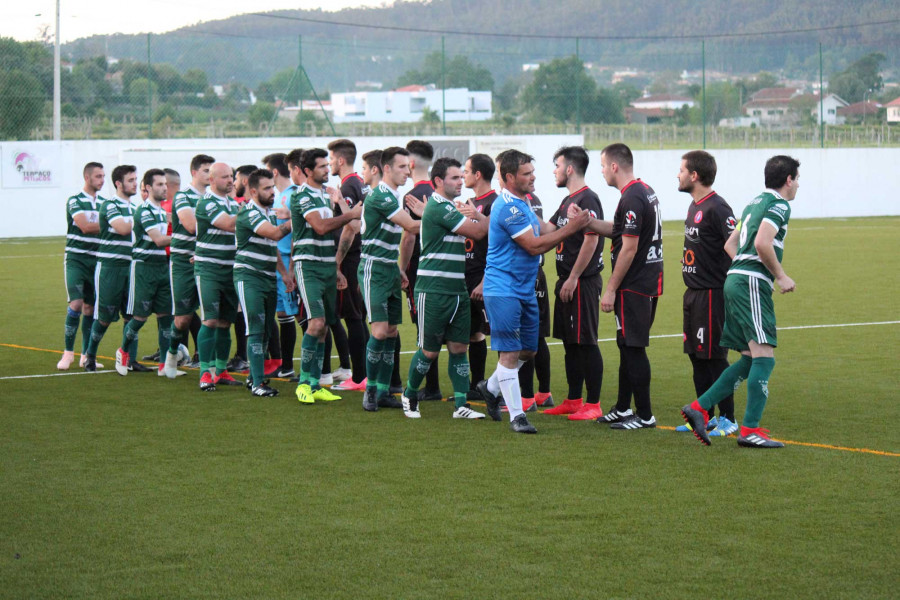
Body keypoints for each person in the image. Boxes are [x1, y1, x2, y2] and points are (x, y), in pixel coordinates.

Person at [681, 155, 800, 449]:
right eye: (797, 179)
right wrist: (780, 276)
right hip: (749, 283)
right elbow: (762, 242)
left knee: (749, 358)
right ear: (788, 180)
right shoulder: (780, 205)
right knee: (764, 358)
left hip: (734, 280)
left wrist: (742, 268)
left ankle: (700, 408)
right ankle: (749, 429)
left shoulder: (753, 202)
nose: (797, 185)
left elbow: (730, 244)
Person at [475, 150, 589, 434]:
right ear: (510, 177)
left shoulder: (523, 202)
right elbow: (535, 245)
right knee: (511, 354)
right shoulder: (507, 207)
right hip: (503, 289)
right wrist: (573, 228)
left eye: (532, 172)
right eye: (526, 174)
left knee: (529, 349)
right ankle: (517, 416)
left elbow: (542, 230)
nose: (533, 177)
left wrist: (566, 219)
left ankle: (490, 387)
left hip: (524, 288)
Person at [572, 143, 664, 430]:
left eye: (602, 165)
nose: (600, 171)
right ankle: (624, 408)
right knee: (626, 345)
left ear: (614, 166)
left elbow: (628, 247)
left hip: (635, 284)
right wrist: (587, 221)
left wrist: (611, 288)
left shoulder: (633, 197)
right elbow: (620, 230)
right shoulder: (642, 191)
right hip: (644, 281)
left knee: (633, 348)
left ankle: (645, 415)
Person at [400, 157, 489, 419]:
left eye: (462, 176)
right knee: (428, 351)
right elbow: (479, 233)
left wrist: (477, 216)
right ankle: (409, 394)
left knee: (459, 348)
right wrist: (480, 216)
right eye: (454, 178)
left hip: (456, 289)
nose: (461, 181)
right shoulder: (439, 207)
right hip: (433, 289)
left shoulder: (450, 206)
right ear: (438, 181)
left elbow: (478, 229)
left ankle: (461, 405)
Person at [672, 150, 739, 437]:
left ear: (694, 175)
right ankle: (702, 414)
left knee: (714, 357)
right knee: (697, 356)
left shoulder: (717, 208)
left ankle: (728, 418)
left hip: (713, 294)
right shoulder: (693, 206)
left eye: (681, 170)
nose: (678, 174)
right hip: (693, 294)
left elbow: (737, 245)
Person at [290, 148, 361, 404]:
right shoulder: (302, 196)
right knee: (316, 323)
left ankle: (315, 383)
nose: (325, 169)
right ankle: (303, 384)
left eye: (325, 164)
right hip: (308, 266)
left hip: (326, 266)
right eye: (320, 166)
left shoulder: (325, 195)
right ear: (308, 171)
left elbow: (354, 227)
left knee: (324, 328)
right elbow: (320, 227)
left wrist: (336, 268)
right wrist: (349, 214)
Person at [544, 146, 606, 421]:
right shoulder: (567, 200)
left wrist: (573, 277)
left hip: (581, 281)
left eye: (557, 165)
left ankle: (593, 403)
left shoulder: (587, 198)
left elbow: (591, 239)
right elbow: (549, 230)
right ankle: (573, 399)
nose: (554, 171)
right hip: (568, 281)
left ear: (569, 168)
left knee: (586, 342)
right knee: (571, 342)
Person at [358, 147, 421, 412]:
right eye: (402, 167)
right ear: (386, 169)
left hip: (389, 268)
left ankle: (384, 391)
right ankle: (370, 390)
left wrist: (400, 268)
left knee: (393, 332)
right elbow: (411, 226)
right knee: (380, 331)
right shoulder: (381, 196)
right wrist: (445, 215)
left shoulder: (395, 196)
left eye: (409, 167)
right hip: (373, 267)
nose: (408, 172)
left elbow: (406, 235)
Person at [233, 168, 295, 396]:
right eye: (267, 188)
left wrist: (285, 275)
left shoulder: (268, 212)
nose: (272, 192)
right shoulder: (249, 213)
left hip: (268, 277)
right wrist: (297, 216)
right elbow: (276, 235)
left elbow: (273, 247)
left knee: (267, 330)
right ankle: (258, 383)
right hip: (249, 276)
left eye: (273, 187)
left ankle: (253, 378)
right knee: (256, 329)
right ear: (252, 191)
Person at [117, 169, 180, 377]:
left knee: (165, 317)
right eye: (160, 185)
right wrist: (186, 239)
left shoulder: (164, 212)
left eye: (165, 184)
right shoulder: (144, 211)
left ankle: (164, 365)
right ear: (148, 188)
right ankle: (123, 351)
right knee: (140, 317)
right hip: (144, 268)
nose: (165, 188)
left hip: (162, 266)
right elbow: (160, 240)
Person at [333, 148, 380, 392]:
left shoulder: (349, 186)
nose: (329, 164)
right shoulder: (360, 185)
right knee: (358, 317)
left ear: (340, 160)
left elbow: (351, 226)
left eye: (331, 159)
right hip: (361, 258)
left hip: (351, 258)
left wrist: (337, 261)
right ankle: (364, 374)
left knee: (353, 317)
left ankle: (359, 376)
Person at [82, 165, 137, 371]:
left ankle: (129, 359)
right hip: (110, 268)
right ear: (118, 183)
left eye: (135, 179)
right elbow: (123, 229)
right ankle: (90, 355)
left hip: (130, 267)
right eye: (130, 180)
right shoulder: (110, 205)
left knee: (132, 315)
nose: (134, 184)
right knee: (104, 317)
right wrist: (143, 218)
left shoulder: (135, 208)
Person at [400, 139, 442, 401]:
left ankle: (432, 386)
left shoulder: (413, 195)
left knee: (424, 327)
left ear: (412, 163)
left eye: (405, 163)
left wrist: (401, 268)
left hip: (420, 268)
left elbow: (409, 236)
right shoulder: (440, 192)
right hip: (444, 265)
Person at [193, 162, 241, 391]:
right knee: (210, 319)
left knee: (225, 322)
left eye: (231, 176)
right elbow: (230, 225)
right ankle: (205, 372)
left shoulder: (232, 203)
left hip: (231, 268)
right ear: (211, 180)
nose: (230, 180)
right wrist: (253, 213)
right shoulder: (206, 202)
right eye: (224, 177)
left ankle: (221, 371)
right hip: (210, 269)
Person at [164, 154, 213, 375]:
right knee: (183, 319)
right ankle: (172, 354)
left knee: (212, 317)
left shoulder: (214, 197)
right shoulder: (183, 197)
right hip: (184, 262)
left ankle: (209, 366)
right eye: (205, 171)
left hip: (208, 261)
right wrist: (220, 221)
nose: (209, 175)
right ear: (194, 172)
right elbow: (191, 226)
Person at [58, 162, 104, 371]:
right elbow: (85, 226)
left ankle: (85, 355)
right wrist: (112, 223)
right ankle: (68, 353)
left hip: (96, 260)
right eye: (98, 176)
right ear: (87, 178)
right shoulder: (75, 201)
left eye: (103, 176)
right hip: (76, 259)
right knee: (76, 304)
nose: (102, 180)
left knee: (90, 307)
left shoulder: (103, 203)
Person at [461, 153, 496, 399]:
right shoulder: (469, 201)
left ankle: (493, 386)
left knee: (491, 333)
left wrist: (484, 280)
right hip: (465, 276)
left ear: (478, 174)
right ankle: (475, 386)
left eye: (466, 171)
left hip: (483, 278)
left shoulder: (494, 202)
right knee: (471, 333)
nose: (463, 175)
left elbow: (495, 242)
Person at [264, 151, 300, 379]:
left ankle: (291, 366)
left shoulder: (290, 196)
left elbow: (296, 233)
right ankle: (282, 364)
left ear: (274, 172)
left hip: (288, 266)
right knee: (280, 314)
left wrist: (291, 268)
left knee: (294, 316)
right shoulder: (278, 197)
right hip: (277, 265)